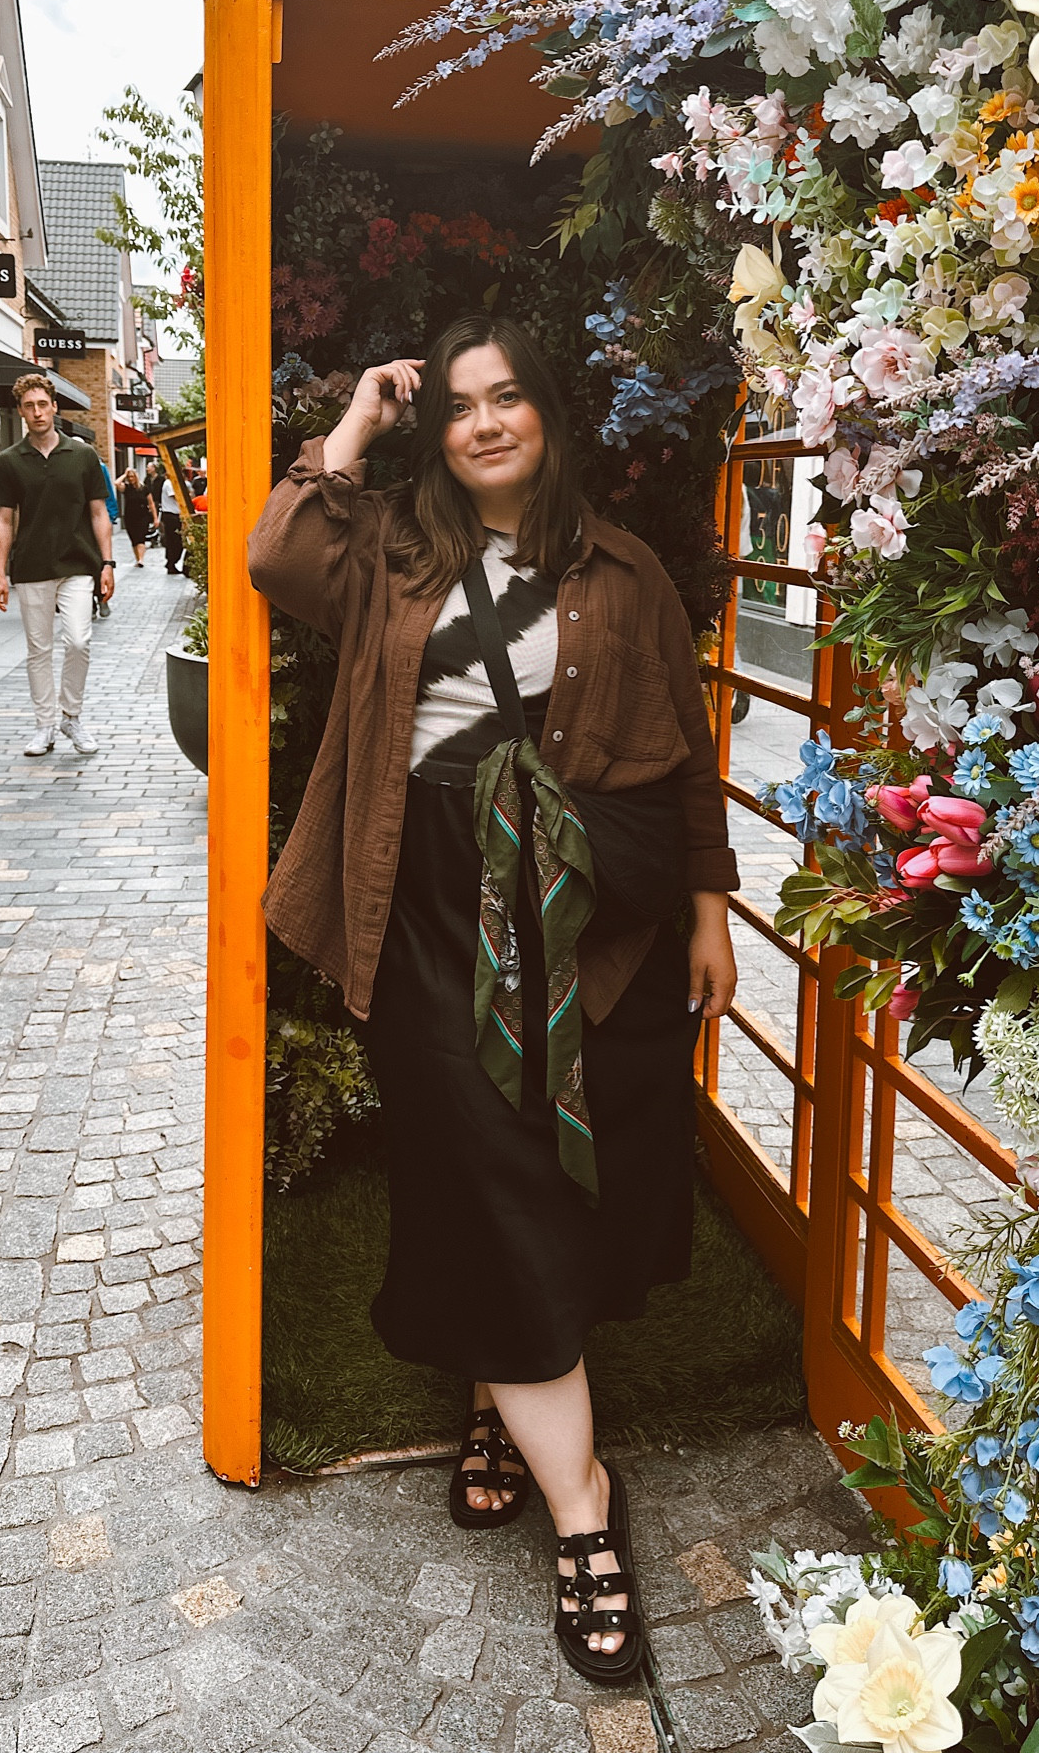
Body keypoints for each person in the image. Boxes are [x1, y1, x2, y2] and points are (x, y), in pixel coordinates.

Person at [248, 316, 738, 1686]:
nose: (481, 423)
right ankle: (584, 1515)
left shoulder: (626, 570)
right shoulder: (395, 551)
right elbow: (276, 553)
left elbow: (687, 759)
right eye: (457, 406)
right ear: (437, 431)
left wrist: (707, 912)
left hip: (589, 911)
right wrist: (352, 426)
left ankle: (494, 1403)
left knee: (556, 1174)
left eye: (505, 397)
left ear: (547, 414)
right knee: (477, 1159)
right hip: (429, 895)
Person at [0, 374, 114, 756]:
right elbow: (3, 519)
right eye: (29, 406)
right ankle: (44, 725)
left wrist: (107, 562)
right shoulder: (10, 461)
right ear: (20, 411)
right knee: (38, 649)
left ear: (55, 406)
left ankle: (71, 717)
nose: (37, 412)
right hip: (31, 566)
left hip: (78, 563)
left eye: (43, 404)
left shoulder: (82, 456)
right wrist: (0, 573)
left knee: (78, 640)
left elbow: (98, 512)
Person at [93, 458, 121, 619]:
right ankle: (90, 602)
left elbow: (108, 494)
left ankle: (102, 598)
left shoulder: (98, 467)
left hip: (95, 523)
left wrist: (109, 517)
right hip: (73, 527)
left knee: (99, 562)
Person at [118, 467, 156, 565]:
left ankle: (141, 560)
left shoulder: (144, 488)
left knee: (141, 537)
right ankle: (138, 558)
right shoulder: (127, 488)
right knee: (134, 538)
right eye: (129, 477)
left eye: (132, 476)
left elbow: (151, 503)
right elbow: (116, 483)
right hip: (130, 516)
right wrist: (124, 474)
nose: (131, 479)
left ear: (136, 477)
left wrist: (155, 518)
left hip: (143, 516)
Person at [157, 466, 184, 573]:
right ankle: (171, 562)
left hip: (174, 515)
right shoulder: (169, 483)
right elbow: (176, 496)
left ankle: (171, 562)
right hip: (171, 515)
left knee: (175, 540)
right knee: (175, 540)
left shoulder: (171, 483)